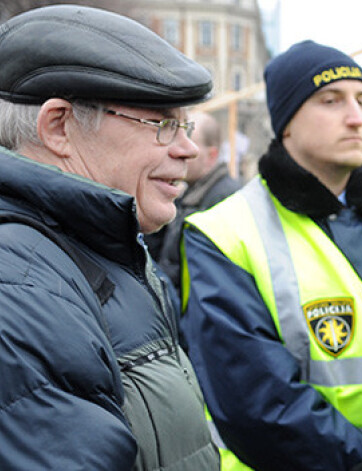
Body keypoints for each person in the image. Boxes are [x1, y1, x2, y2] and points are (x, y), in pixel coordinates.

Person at [181, 40, 362, 471]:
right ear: (286, 123)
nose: (356, 118)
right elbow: (255, 395)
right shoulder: (224, 233)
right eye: (330, 101)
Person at [0, 5, 221, 470]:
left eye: (186, 124)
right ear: (59, 126)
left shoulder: (99, 249)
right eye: (162, 124)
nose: (188, 148)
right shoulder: (19, 284)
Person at [146, 111, 241, 294]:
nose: (181, 150)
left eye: (189, 138)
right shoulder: (189, 194)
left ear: (211, 155)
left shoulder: (224, 202)